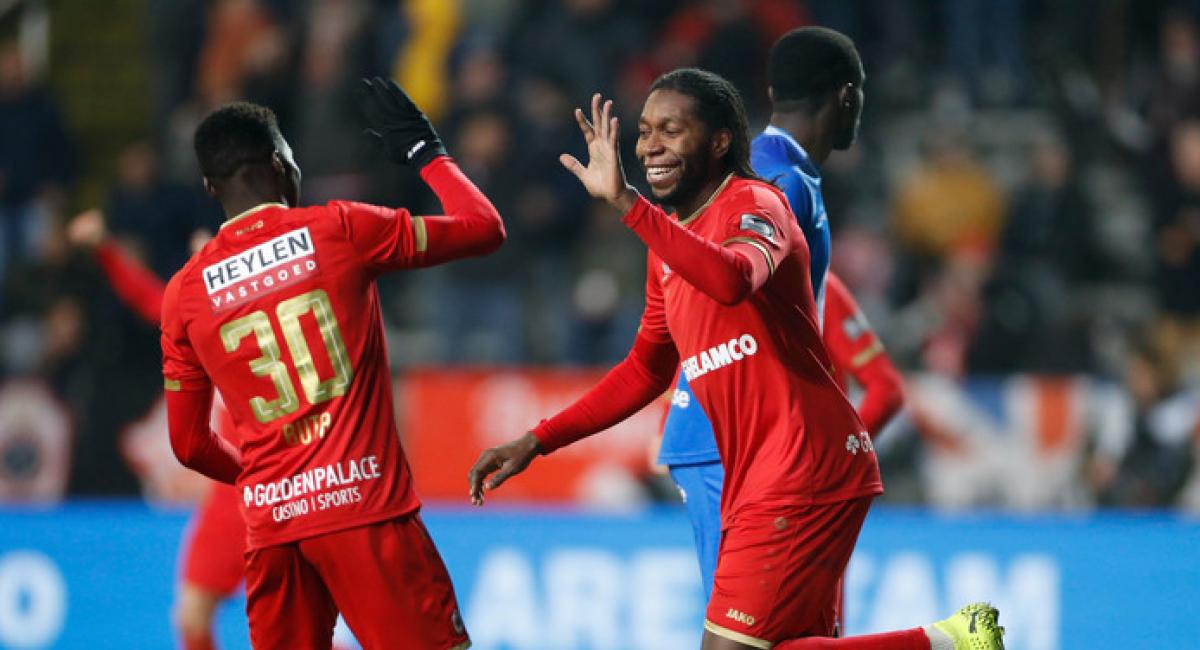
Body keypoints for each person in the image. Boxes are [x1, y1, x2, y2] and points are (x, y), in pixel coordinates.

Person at [468, 68, 1003, 650]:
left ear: (720, 140)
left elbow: (733, 280)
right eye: (645, 131)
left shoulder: (758, 204)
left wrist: (627, 203)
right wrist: (538, 440)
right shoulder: (666, 247)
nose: (650, 146)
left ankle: (948, 641)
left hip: (803, 465)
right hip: (762, 475)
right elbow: (644, 371)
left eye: (671, 130)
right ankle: (952, 639)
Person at [162, 77, 502, 649]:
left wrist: (268, 481)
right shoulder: (338, 229)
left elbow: (189, 444)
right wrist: (428, 153)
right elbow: (483, 228)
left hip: (273, 533)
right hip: (365, 512)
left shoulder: (184, 293)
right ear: (280, 163)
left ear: (209, 186)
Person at [656, 29, 905, 616]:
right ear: (847, 97)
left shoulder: (781, 170)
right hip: (736, 439)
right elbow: (721, 291)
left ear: (772, 93)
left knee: (783, 629)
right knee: (754, 633)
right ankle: (947, 639)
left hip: (749, 437)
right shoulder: (779, 179)